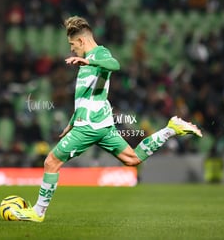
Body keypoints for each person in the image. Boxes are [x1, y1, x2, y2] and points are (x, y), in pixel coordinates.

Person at [11, 16, 202, 222]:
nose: (72, 50)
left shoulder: (99, 54)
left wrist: (89, 60)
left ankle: (38, 212)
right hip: (99, 124)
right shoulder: (86, 63)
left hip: (90, 126)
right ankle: (171, 129)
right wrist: (73, 120)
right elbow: (85, 96)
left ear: (82, 41)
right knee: (133, 159)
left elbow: (115, 64)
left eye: (72, 45)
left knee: (51, 162)